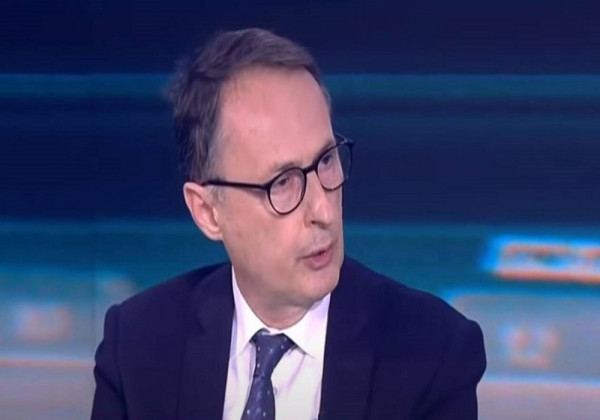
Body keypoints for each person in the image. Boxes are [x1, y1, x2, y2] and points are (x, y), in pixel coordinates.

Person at [91, 28, 486, 420]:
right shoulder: (137, 347)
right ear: (208, 212)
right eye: (282, 183)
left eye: (326, 160)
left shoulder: (433, 354)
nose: (323, 211)